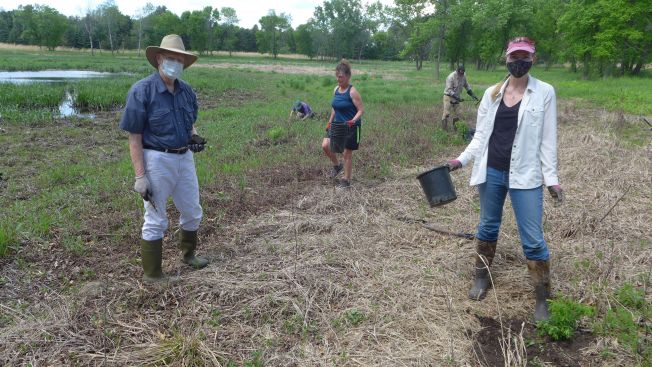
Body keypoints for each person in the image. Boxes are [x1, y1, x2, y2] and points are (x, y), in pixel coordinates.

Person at [446, 37, 564, 322]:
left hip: (526, 175)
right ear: (506, 59)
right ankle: (482, 278)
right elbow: (480, 136)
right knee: (487, 226)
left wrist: (552, 179)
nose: (519, 61)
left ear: (533, 59)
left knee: (533, 239)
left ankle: (541, 298)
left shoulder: (545, 92)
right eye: (514, 57)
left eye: (524, 56)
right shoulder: (492, 94)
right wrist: (460, 160)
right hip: (492, 172)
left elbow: (548, 140)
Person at [120, 34, 209, 284]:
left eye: (180, 60)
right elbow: (134, 136)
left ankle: (189, 254)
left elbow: (190, 123)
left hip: (184, 157)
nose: (175, 64)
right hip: (157, 159)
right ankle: (153, 274)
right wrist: (140, 176)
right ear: (159, 59)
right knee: (156, 217)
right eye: (171, 58)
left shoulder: (186, 91)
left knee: (192, 210)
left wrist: (194, 137)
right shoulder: (142, 91)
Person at [321, 59, 365, 188]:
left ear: (348, 76)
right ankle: (337, 166)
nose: (338, 79)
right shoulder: (336, 89)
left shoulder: (352, 92)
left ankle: (346, 180)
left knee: (346, 153)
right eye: (337, 77)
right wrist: (329, 122)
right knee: (325, 145)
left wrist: (353, 120)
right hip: (336, 125)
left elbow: (361, 110)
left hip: (351, 126)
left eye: (340, 77)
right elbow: (335, 107)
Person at [442, 64, 479, 130]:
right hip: (448, 96)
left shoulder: (464, 76)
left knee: (459, 113)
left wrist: (472, 94)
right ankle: (444, 129)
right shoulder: (451, 77)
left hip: (457, 96)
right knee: (446, 113)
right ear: (457, 71)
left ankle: (455, 128)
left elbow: (466, 85)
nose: (461, 75)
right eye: (460, 73)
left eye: (462, 73)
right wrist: (456, 97)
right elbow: (449, 90)